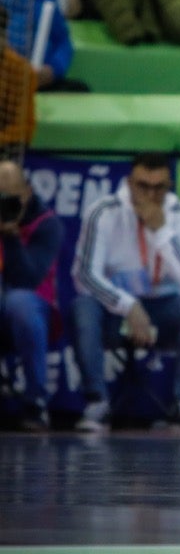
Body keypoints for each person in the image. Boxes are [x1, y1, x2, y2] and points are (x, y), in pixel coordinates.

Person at [71, 153, 180, 433]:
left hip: (165, 312)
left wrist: (161, 231)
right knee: (83, 307)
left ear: (170, 185)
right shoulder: (104, 211)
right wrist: (128, 306)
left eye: (159, 187)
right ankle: (96, 403)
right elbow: (86, 276)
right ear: (129, 182)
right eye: (143, 186)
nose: (151, 195)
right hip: (117, 315)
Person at [0, 160, 63, 431]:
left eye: (10, 198)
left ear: (26, 192)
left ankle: (35, 401)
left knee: (19, 301)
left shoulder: (47, 225)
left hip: (32, 314)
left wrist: (11, 238)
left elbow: (26, 279)